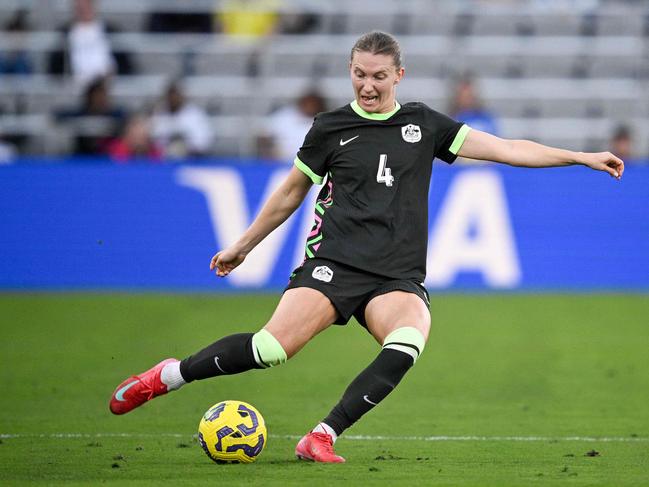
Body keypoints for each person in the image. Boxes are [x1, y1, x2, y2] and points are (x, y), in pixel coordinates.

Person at [109, 31, 624, 463]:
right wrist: (243, 245)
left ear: (399, 75)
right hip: (334, 264)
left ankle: (322, 436)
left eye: (379, 76)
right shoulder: (330, 128)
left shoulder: (424, 125)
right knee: (269, 350)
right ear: (350, 71)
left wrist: (580, 156)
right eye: (359, 74)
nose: (368, 84)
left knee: (409, 338)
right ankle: (167, 376)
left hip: (394, 276)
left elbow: (508, 149)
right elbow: (291, 191)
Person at [47, 0, 134, 87]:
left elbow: (126, 64)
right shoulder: (65, 33)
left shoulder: (111, 31)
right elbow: (55, 67)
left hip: (107, 86)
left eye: (87, 5)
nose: (83, 9)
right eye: (80, 6)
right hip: (75, 86)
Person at [257, 89, 327, 163]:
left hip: (311, 166)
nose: (310, 106)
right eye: (308, 103)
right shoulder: (285, 116)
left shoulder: (325, 121)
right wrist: (268, 154)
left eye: (314, 104)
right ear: (302, 103)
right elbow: (262, 134)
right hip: (280, 163)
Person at [151, 81, 212, 159]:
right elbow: (155, 139)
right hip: (164, 161)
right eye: (171, 95)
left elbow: (204, 141)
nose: (173, 99)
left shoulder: (195, 114)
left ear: (181, 96)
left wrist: (186, 146)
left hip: (191, 159)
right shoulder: (159, 114)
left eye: (176, 95)